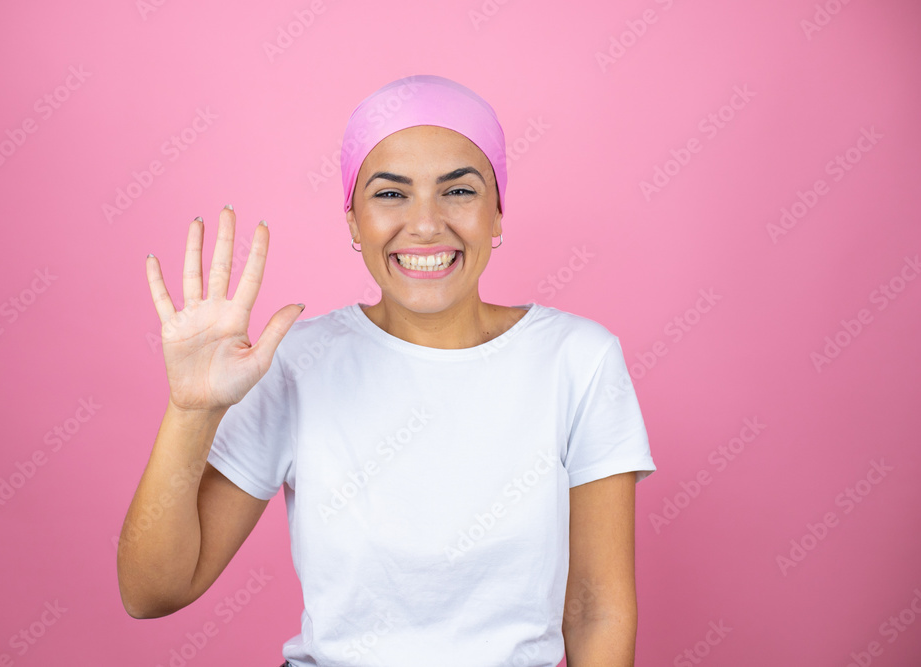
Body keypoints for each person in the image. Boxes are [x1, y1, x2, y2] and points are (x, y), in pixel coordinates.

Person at [117, 74, 656, 667]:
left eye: (459, 191)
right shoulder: (295, 364)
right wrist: (192, 411)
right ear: (353, 221)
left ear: (497, 214)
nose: (425, 224)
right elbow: (152, 593)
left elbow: (596, 610)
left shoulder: (578, 360)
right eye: (391, 194)